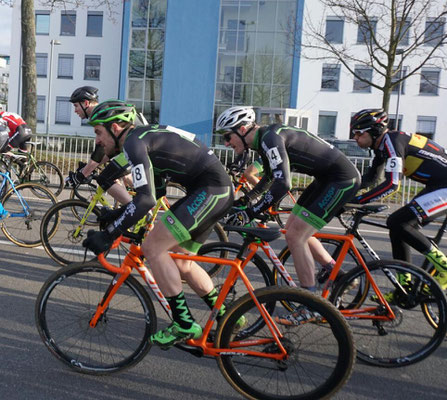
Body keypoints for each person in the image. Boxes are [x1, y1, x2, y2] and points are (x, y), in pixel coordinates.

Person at [82, 100, 234, 348]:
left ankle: (184, 323)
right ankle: (228, 315)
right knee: (183, 262)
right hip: (211, 190)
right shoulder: (144, 138)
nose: (98, 141)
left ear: (117, 127)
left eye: (99, 132)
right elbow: (157, 190)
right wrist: (119, 213)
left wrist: (110, 234)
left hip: (209, 191)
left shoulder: (134, 143)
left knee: (153, 248)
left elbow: (145, 200)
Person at [216, 106, 360, 324]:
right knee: (292, 226)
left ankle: (311, 304)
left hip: (340, 179)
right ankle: (337, 274)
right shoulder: (264, 139)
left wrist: (253, 212)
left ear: (243, 129)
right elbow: (267, 179)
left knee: (296, 236)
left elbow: (283, 183)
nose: (226, 143)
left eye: (228, 136)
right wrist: (246, 202)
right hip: (325, 178)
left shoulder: (269, 139)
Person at [351, 108, 447, 290]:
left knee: (398, 222)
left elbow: (392, 185)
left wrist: (358, 201)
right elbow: (369, 179)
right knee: (397, 228)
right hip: (437, 186)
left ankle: (444, 267)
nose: (355, 138)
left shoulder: (393, 142)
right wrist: (343, 194)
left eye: (358, 133)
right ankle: (405, 287)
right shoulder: (381, 146)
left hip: (444, 188)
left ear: (374, 130)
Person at [67, 86, 132, 205]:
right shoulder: (103, 112)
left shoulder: (100, 116)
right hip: (128, 148)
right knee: (120, 176)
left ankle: (136, 210)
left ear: (86, 103)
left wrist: (83, 174)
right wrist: (87, 168)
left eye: (76, 106)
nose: (75, 110)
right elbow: (106, 153)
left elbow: (100, 153)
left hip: (134, 147)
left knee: (106, 178)